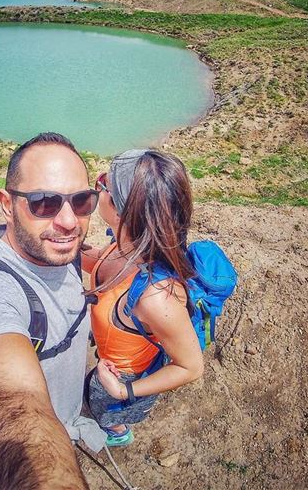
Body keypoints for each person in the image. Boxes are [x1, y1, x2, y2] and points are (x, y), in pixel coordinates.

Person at [0, 132, 107, 489]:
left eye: (82, 201)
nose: (70, 222)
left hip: (66, 410)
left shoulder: (55, 247)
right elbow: (16, 398)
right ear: (7, 204)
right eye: (44, 203)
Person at [82, 149, 205, 447]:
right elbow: (97, 260)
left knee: (106, 410)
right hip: (110, 357)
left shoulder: (155, 297)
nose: (96, 187)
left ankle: (118, 433)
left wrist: (125, 392)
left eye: (101, 183)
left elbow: (191, 367)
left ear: (121, 210)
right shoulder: (125, 244)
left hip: (124, 377)